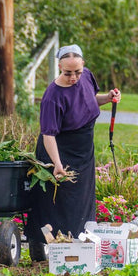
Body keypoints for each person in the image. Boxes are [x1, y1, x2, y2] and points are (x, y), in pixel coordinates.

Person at [24, 44, 121, 261]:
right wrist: (57, 164)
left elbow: (88, 102)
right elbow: (48, 134)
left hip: (84, 150)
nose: (74, 77)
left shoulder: (86, 77)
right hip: (60, 151)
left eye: (77, 71)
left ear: (83, 66)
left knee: (82, 200)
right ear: (59, 67)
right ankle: (48, 248)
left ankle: (79, 247)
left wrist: (108, 97)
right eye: (68, 73)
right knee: (59, 202)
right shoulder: (52, 96)